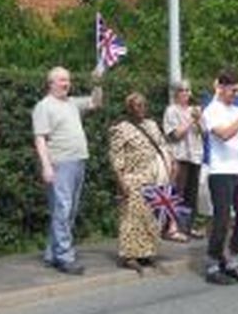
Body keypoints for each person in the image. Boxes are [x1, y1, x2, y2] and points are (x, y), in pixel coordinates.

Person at [32, 66, 103, 275]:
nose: (66, 84)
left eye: (68, 80)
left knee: (67, 210)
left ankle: (52, 253)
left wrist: (97, 83)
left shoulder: (71, 103)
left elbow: (95, 102)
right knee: (63, 209)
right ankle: (64, 256)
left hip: (78, 161)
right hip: (60, 163)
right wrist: (46, 166)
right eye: (62, 80)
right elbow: (40, 138)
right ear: (50, 83)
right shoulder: (43, 107)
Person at [200, 68, 238, 285]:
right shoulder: (211, 111)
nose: (236, 95)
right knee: (222, 219)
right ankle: (213, 263)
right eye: (233, 90)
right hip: (220, 172)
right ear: (222, 88)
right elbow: (224, 135)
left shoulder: (237, 110)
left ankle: (231, 259)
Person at [109, 92, 174, 272]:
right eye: (137, 105)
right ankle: (130, 255)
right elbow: (116, 158)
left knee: (151, 218)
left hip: (153, 176)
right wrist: (121, 182)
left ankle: (147, 252)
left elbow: (162, 145)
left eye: (143, 105)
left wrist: (170, 164)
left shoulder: (151, 125)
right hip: (132, 178)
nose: (141, 109)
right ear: (129, 108)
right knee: (132, 218)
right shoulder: (120, 128)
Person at [162, 79, 204, 239]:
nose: (186, 93)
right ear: (176, 94)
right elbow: (175, 135)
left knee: (191, 194)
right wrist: (191, 120)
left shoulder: (195, 110)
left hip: (195, 155)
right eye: (182, 90)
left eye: (188, 90)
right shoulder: (171, 111)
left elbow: (204, 133)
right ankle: (172, 227)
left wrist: (199, 120)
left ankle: (187, 225)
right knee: (176, 192)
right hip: (179, 156)